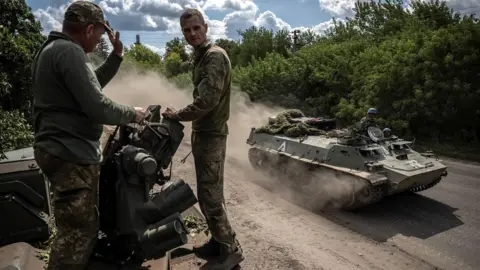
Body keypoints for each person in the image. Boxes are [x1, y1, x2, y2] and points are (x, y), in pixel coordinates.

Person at [30, 1, 146, 269]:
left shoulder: (53, 49)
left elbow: (88, 86)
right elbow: (96, 106)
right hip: (69, 153)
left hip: (60, 149)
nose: (99, 40)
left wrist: (116, 57)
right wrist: (133, 113)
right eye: (100, 34)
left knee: (79, 226)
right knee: (78, 233)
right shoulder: (69, 53)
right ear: (89, 29)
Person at [161, 8, 244, 269]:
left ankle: (229, 250)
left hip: (211, 135)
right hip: (204, 133)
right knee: (207, 193)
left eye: (196, 28)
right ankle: (218, 242)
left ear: (205, 27)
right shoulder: (201, 56)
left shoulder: (214, 57)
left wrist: (178, 115)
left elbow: (207, 100)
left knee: (211, 197)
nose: (192, 34)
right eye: (186, 30)